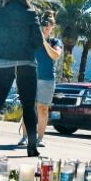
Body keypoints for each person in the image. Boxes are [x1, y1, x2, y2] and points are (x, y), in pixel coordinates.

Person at [0, 0, 43, 156]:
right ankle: (32, 147)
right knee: (29, 106)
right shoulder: (31, 14)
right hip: (26, 62)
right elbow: (38, 42)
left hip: (2, 62)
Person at [20, 11, 62, 148]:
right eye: (44, 25)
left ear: (52, 27)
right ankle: (24, 137)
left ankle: (40, 139)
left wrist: (44, 42)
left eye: (49, 26)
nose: (46, 28)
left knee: (42, 108)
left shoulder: (55, 42)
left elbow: (55, 55)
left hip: (47, 79)